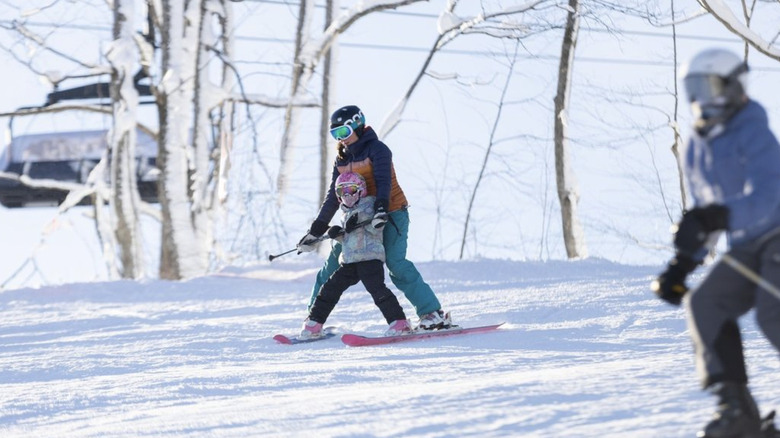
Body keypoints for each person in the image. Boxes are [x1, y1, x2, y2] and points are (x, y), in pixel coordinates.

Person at [652, 48, 780, 438]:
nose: (700, 99)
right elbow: (706, 211)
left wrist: (719, 217)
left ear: (734, 86)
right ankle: (737, 413)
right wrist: (683, 263)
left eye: (708, 87)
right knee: (705, 303)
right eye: (694, 89)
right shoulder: (697, 145)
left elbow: (771, 192)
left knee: (771, 312)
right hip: (745, 245)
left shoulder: (752, 127)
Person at [297, 104, 452, 330]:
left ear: (357, 126)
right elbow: (333, 195)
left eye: (344, 132)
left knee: (396, 264)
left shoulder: (377, 149)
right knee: (331, 266)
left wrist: (381, 210)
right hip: (356, 220)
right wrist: (316, 230)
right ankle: (312, 320)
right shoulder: (341, 159)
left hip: (390, 213)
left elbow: (383, 182)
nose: (341, 139)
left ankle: (432, 313)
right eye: (335, 134)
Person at [300, 172, 411, 339]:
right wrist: (338, 234)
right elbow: (349, 238)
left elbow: (377, 227)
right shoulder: (346, 213)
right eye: (341, 192)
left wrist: (360, 223)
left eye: (351, 190)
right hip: (350, 261)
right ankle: (314, 323)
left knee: (377, 290)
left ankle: (399, 322)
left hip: (369, 259)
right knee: (330, 288)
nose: (347, 195)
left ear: (361, 190)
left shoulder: (371, 205)